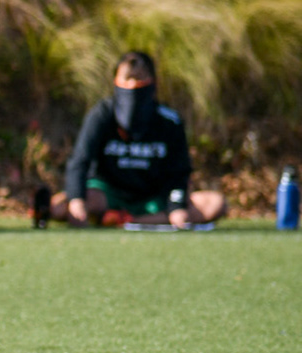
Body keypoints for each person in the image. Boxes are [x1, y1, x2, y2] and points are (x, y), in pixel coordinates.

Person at [46, 51, 226, 228]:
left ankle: (128, 220)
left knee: (214, 204)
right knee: (61, 206)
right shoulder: (101, 115)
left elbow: (179, 172)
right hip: (108, 194)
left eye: (139, 79)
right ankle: (111, 215)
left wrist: (176, 207)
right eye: (127, 79)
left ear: (153, 82)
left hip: (152, 199)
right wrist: (76, 200)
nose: (132, 85)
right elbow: (80, 160)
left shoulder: (169, 121)